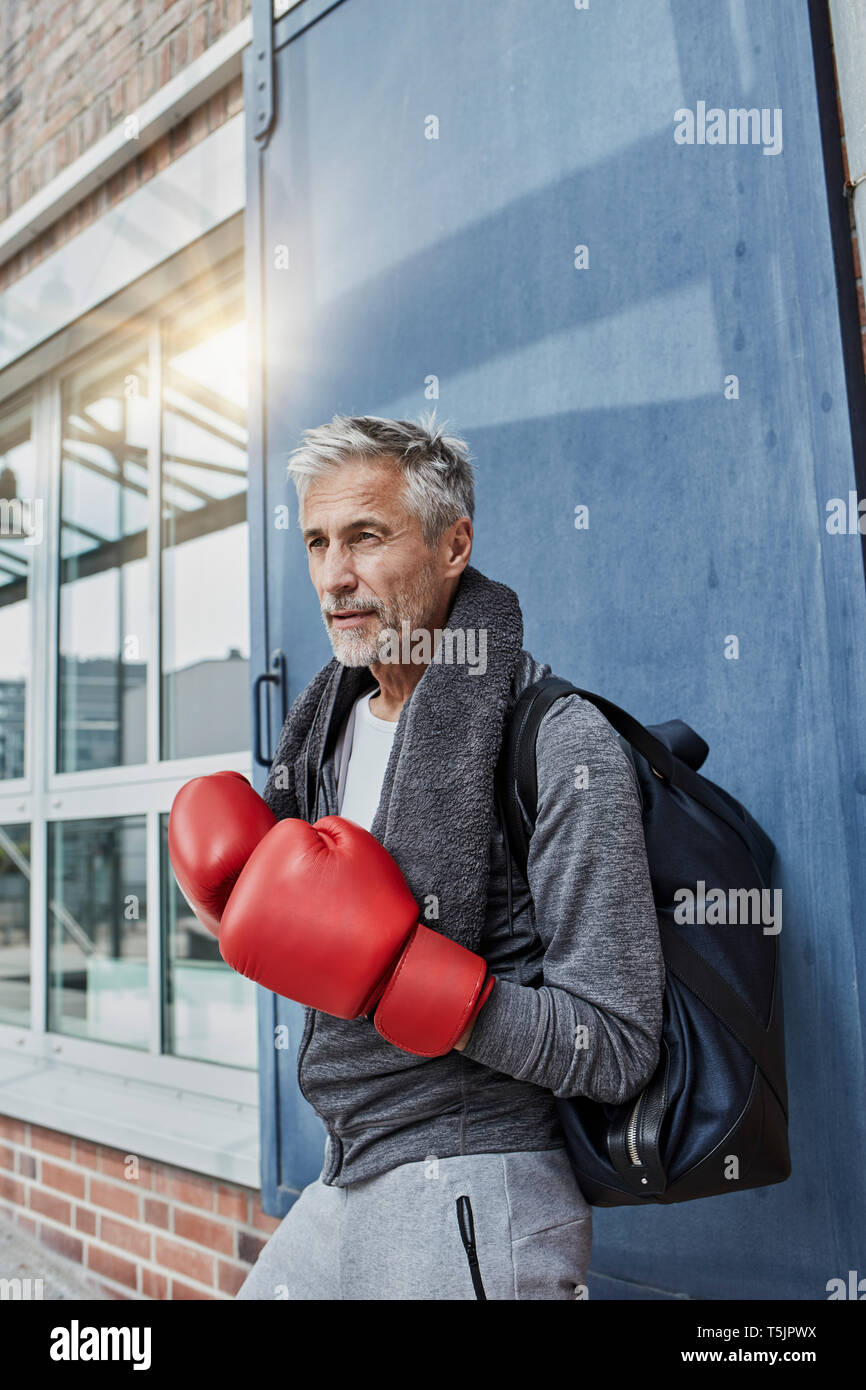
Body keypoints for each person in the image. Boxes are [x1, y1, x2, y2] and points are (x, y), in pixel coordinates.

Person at [182, 412, 665, 1299]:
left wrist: (419, 983)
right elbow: (313, 943)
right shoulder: (322, 739)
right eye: (318, 542)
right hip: (344, 1166)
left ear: (454, 545)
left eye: (367, 537)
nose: (335, 576)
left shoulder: (560, 744)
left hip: (477, 1184)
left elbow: (620, 1044)